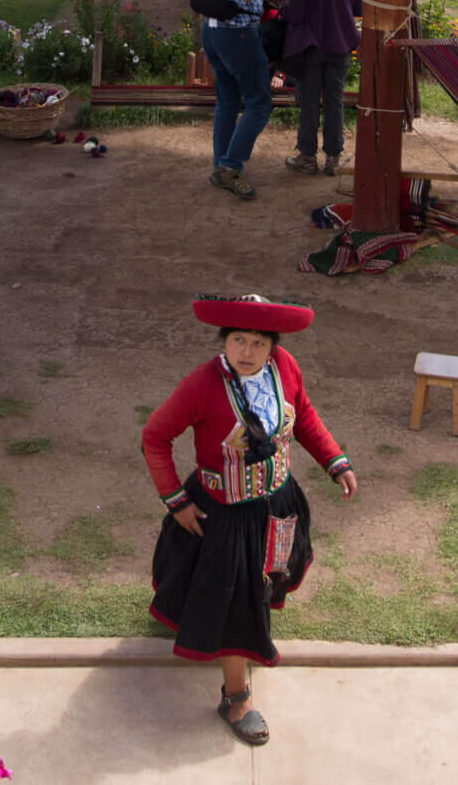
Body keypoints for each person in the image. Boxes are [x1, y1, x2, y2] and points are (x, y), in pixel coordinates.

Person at [142, 294, 357, 747]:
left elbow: (304, 417)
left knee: (267, 580)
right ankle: (235, 696)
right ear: (224, 340)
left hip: (276, 504)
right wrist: (176, 501)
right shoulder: (201, 384)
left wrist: (334, 460)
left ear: (272, 346)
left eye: (258, 342)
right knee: (236, 605)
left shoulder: (286, 369)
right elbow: (155, 436)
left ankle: (251, 631)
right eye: (238, 340)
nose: (247, 352)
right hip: (224, 519)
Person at [195, 0, 281, 200]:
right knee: (259, 103)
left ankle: (221, 165)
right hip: (239, 34)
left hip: (212, 32)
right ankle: (231, 166)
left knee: (228, 101)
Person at [277, 0, 360, 177]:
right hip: (341, 46)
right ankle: (333, 158)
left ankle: (307, 157)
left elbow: (298, 13)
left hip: (311, 48)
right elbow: (358, 6)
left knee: (309, 103)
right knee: (335, 102)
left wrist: (283, 6)